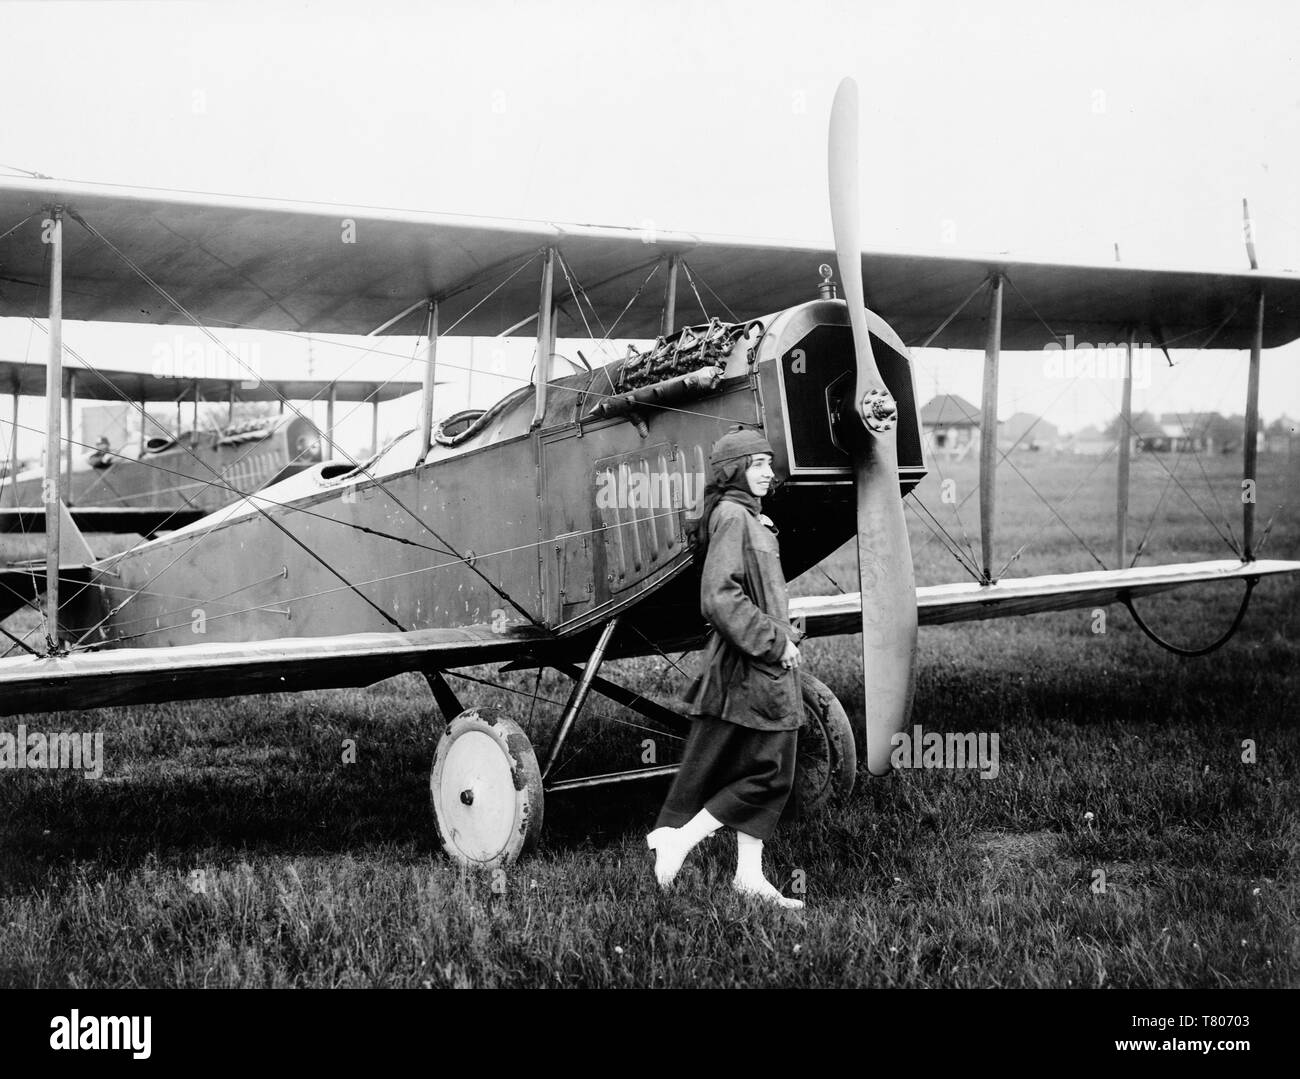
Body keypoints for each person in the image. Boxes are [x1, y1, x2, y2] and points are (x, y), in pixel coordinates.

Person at [647, 426, 806, 910]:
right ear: (734, 470)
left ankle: (748, 875)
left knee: (749, 763)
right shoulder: (735, 517)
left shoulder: (748, 517)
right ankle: (680, 839)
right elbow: (719, 596)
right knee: (771, 771)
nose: (768, 472)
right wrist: (775, 640)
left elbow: (744, 591)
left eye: (768, 463)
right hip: (755, 662)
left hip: (753, 659)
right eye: (757, 464)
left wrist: (784, 625)